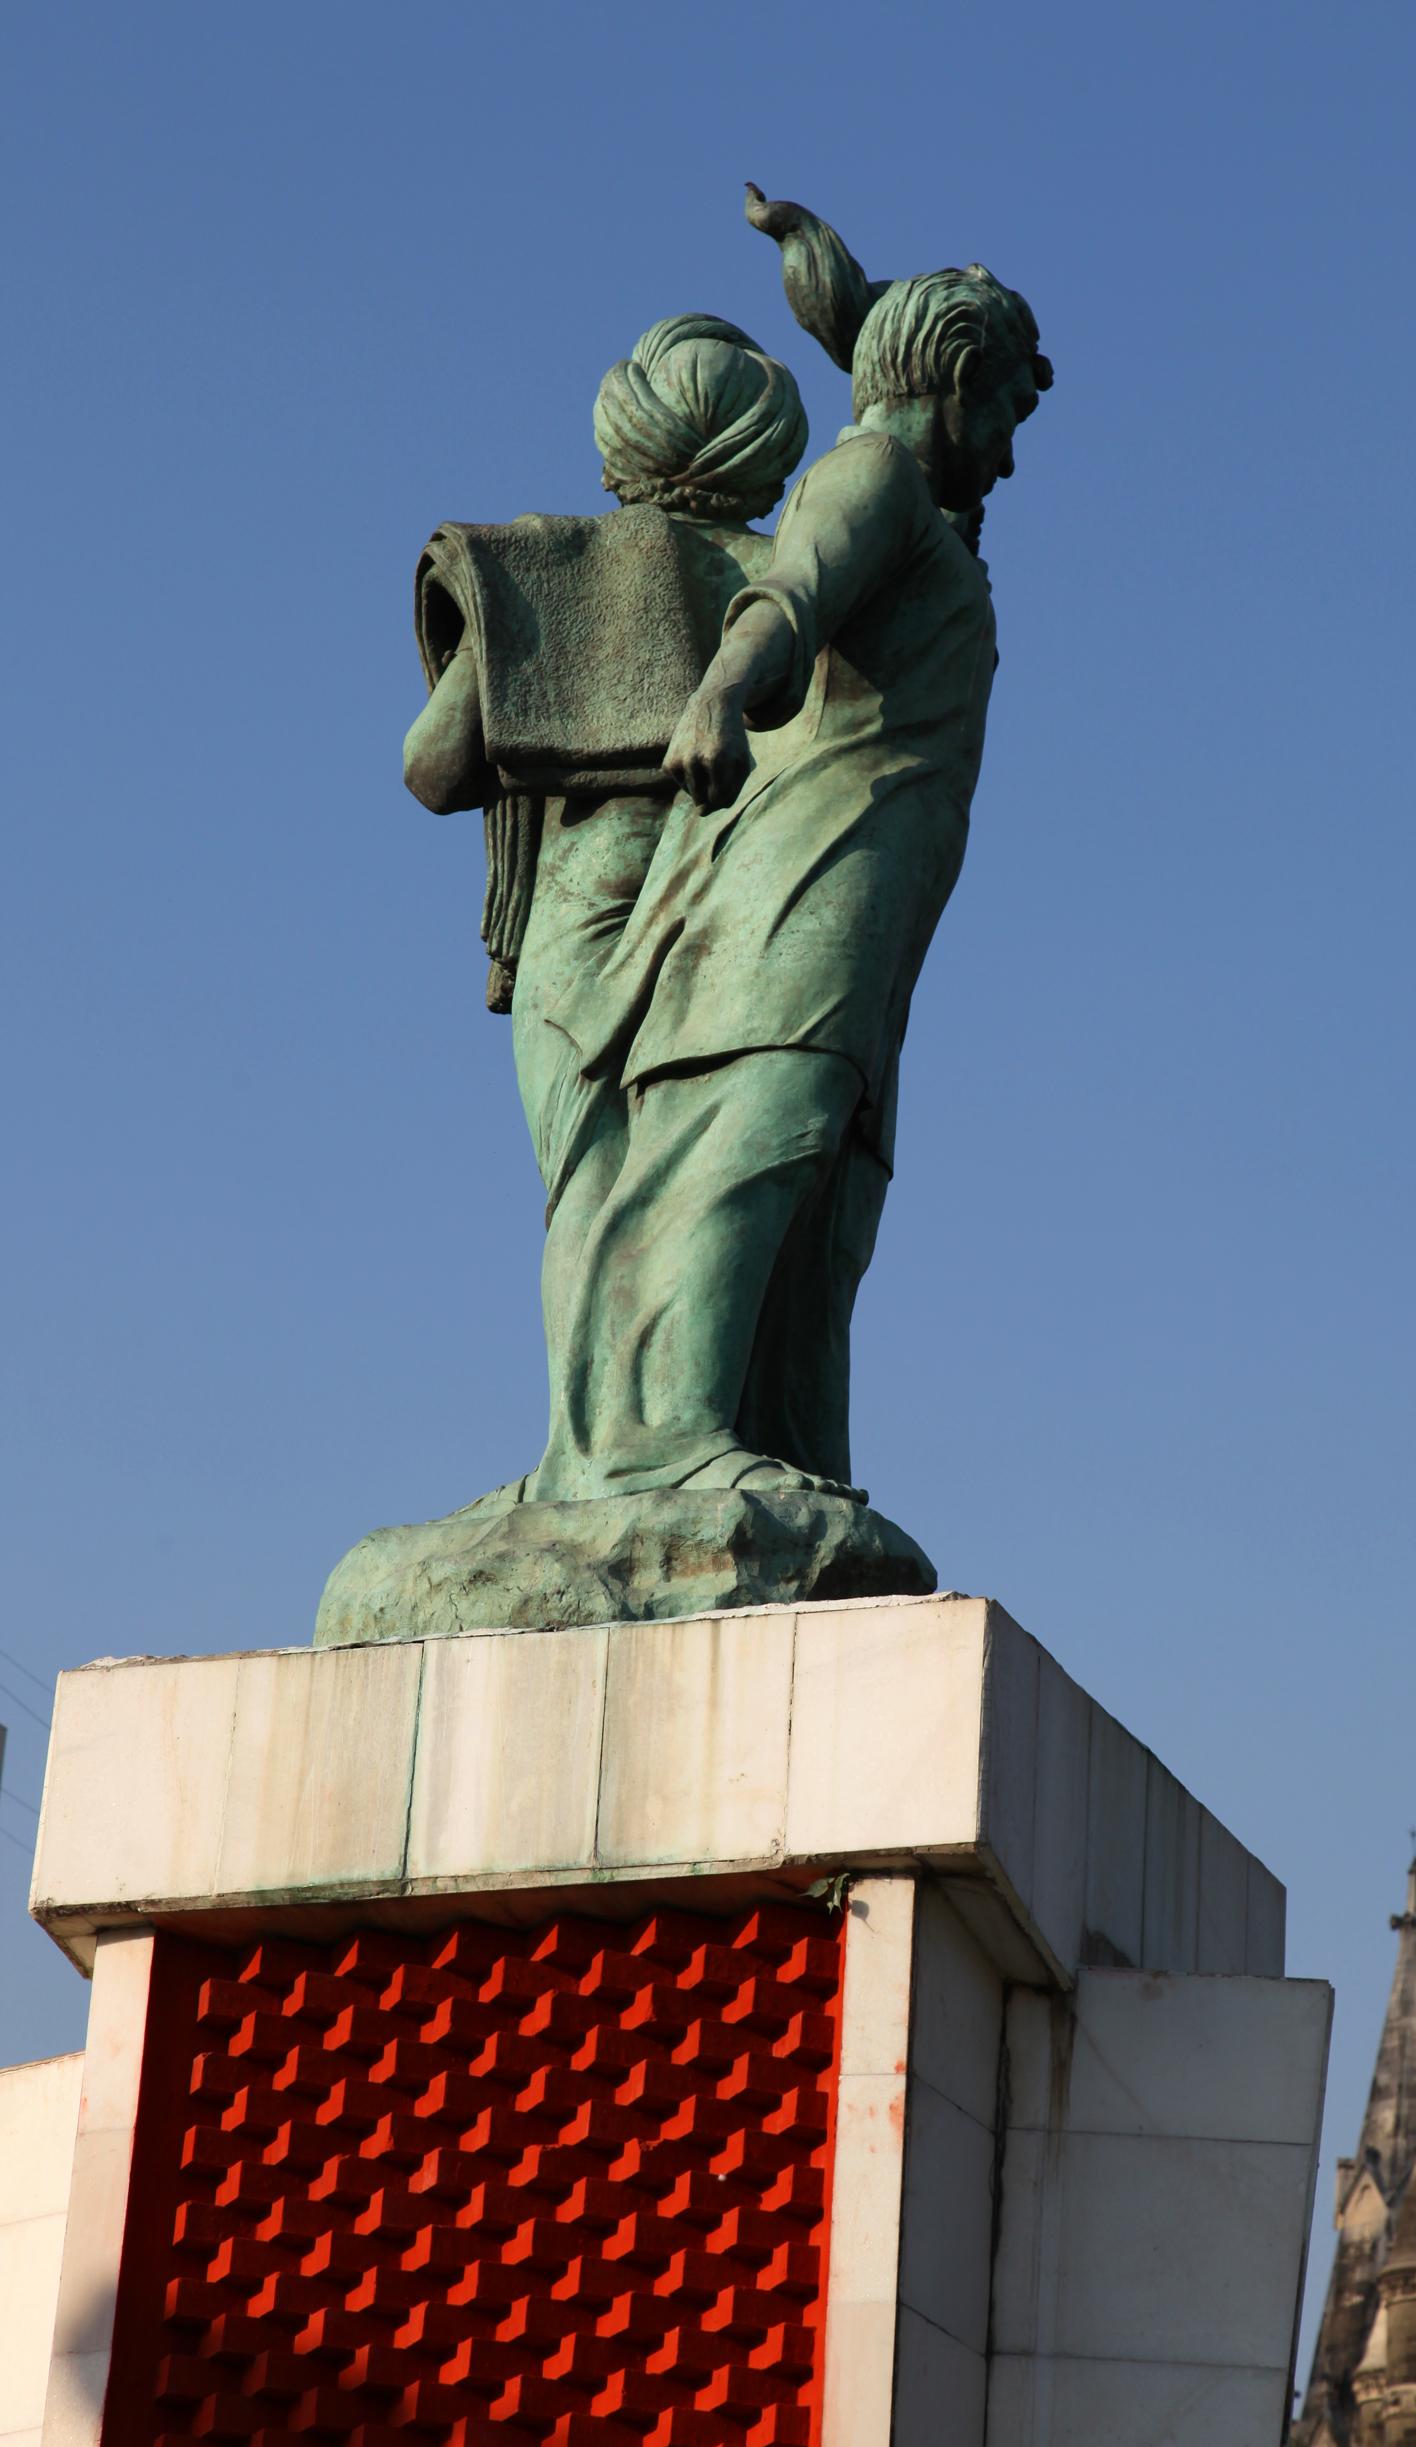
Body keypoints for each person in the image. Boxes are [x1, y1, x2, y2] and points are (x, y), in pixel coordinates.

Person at [524, 242, 1052, 1504]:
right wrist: (716, 693)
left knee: (826, 1181)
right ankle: (660, 1438)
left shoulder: (922, 513)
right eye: (1009, 414)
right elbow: (789, 598)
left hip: (869, 906)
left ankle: (786, 1449)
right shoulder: (872, 474)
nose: (1012, 455)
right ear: (964, 379)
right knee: (757, 1129)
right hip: (803, 876)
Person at [400, 317, 809, 1441]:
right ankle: (692, 1435)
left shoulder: (542, 569)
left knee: (591, 1179)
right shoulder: (792, 580)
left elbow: (433, 770)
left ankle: (591, 1456)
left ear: (622, 434)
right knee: (712, 1182)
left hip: (581, 912)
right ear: (764, 449)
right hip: (744, 911)